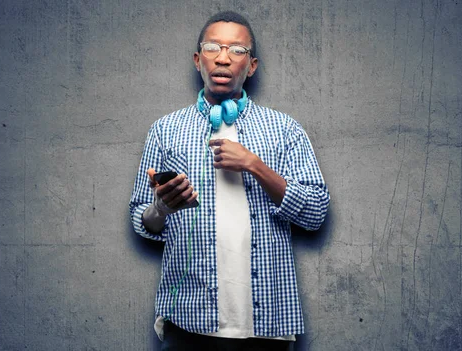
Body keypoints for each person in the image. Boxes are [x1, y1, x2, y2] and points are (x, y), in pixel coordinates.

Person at [129, 11, 330, 350]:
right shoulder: (165, 131)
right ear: (197, 59)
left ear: (251, 66)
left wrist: (255, 165)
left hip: (267, 325)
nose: (223, 58)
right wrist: (160, 208)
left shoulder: (285, 130)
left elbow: (316, 213)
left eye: (237, 50)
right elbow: (140, 221)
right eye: (212, 47)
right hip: (188, 322)